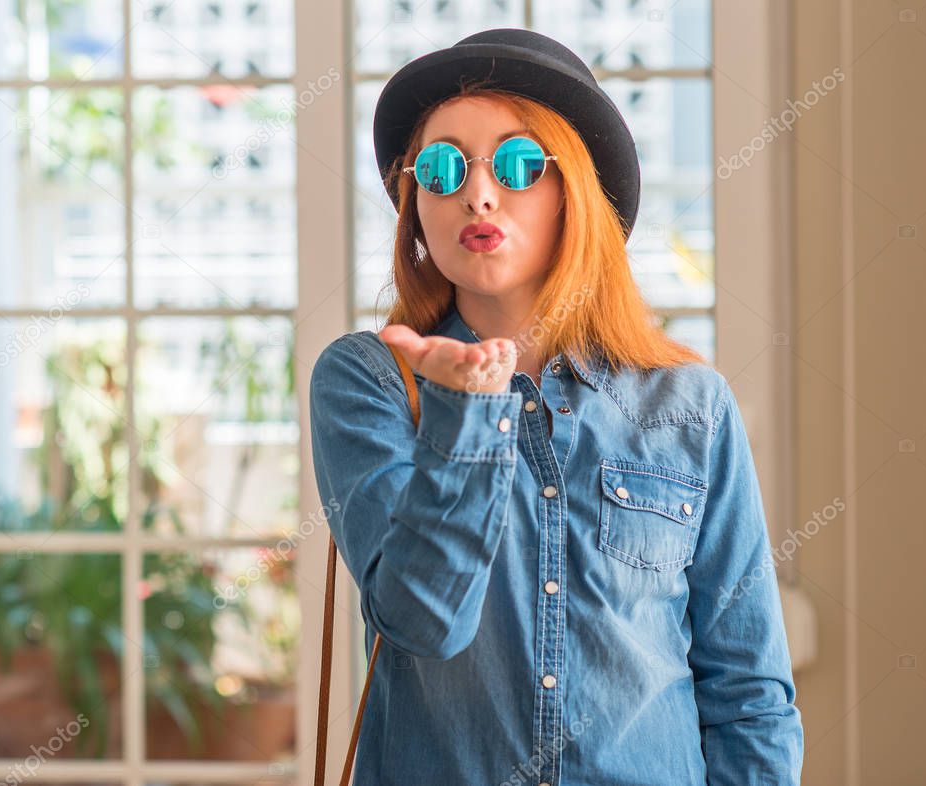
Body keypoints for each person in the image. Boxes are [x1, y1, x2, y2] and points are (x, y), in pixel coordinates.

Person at [309, 27, 804, 786]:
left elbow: (747, 695)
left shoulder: (690, 405)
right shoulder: (369, 382)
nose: (477, 193)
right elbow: (422, 622)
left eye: (516, 163)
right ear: (416, 205)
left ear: (574, 187)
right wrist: (465, 412)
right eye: (443, 168)